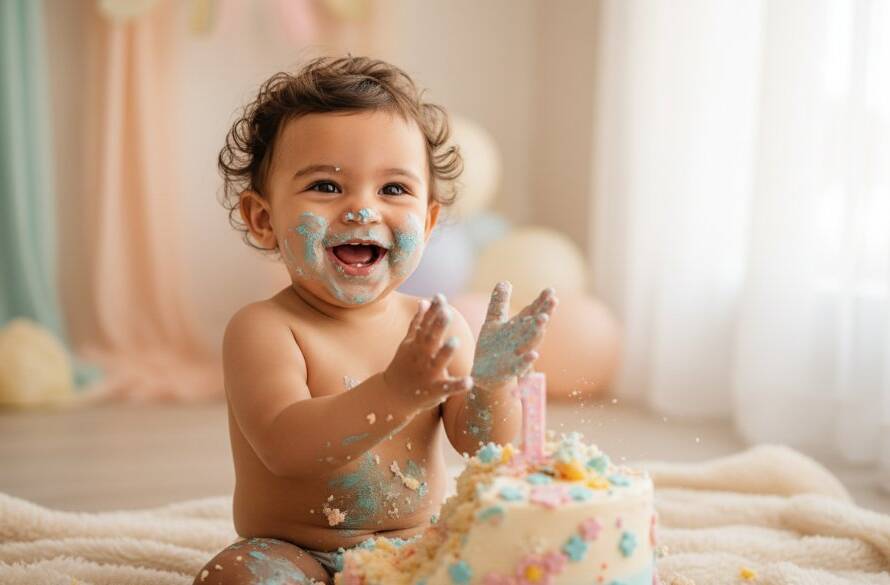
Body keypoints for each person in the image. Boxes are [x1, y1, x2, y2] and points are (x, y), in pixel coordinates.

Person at [193, 55, 557, 585]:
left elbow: (484, 450)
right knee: (235, 576)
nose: (363, 210)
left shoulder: (437, 327)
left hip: (417, 550)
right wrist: (395, 392)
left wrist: (494, 386)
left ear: (429, 222)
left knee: (520, 561)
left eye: (393, 190)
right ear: (264, 219)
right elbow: (286, 447)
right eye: (325, 186)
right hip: (297, 552)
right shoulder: (265, 329)